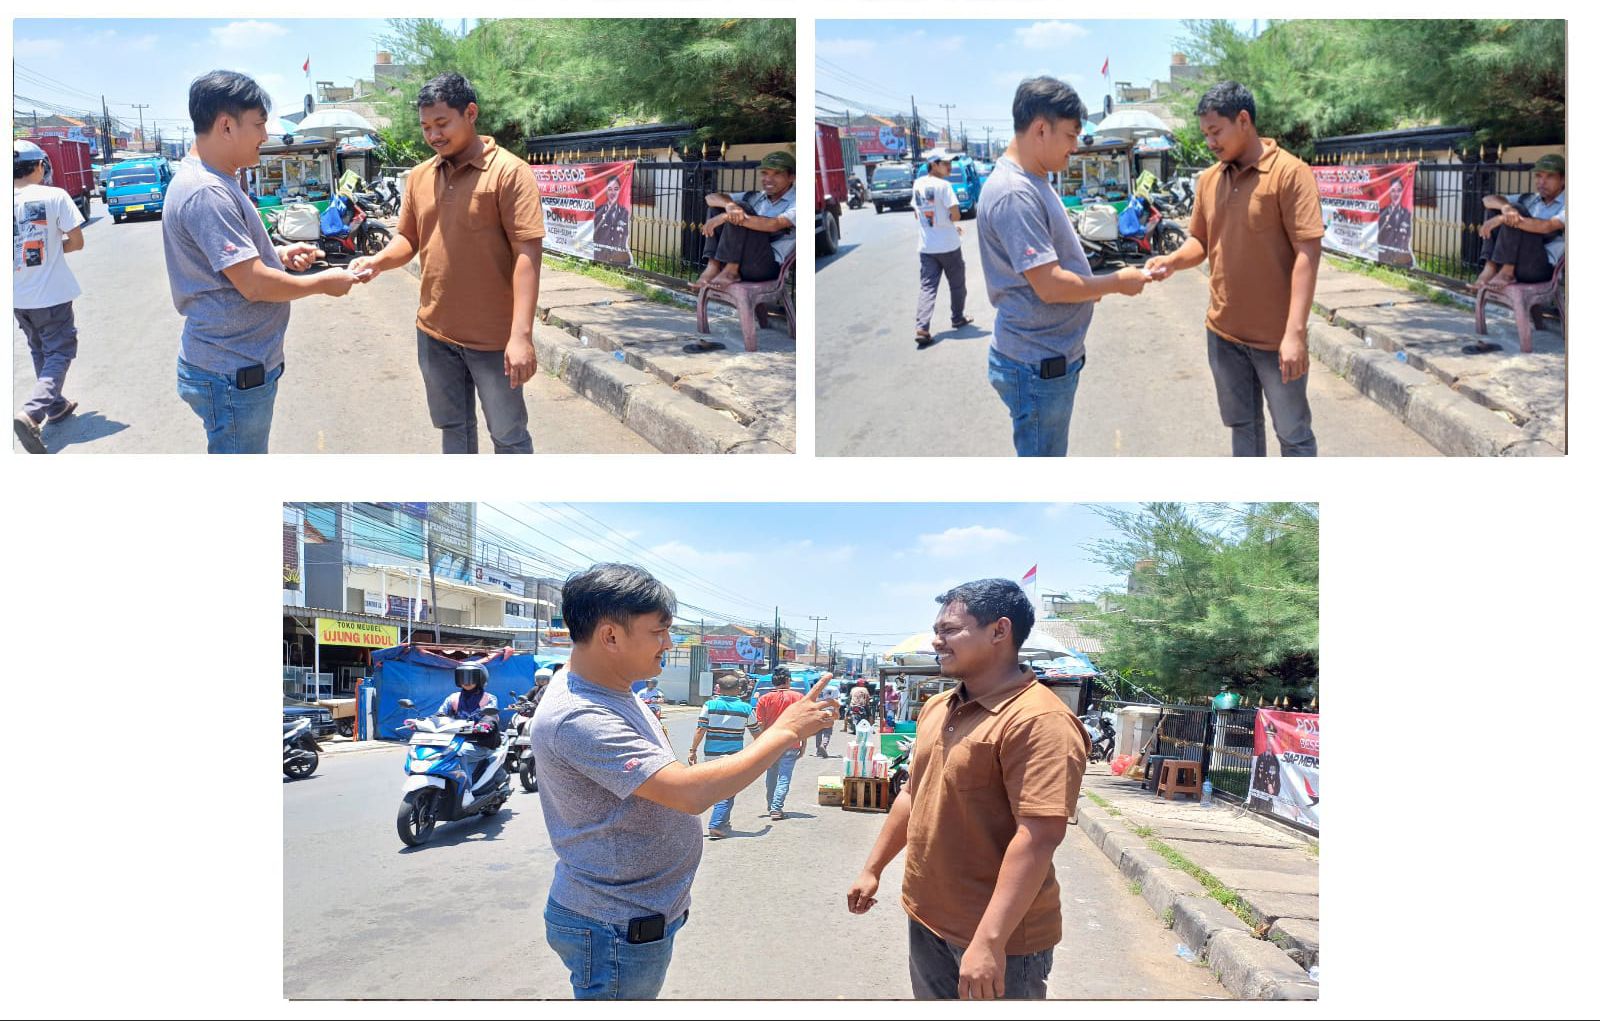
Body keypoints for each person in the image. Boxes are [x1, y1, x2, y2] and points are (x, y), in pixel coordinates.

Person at [530, 564, 838, 999]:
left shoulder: (613, 687)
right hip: (616, 926)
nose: (668, 644)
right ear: (611, 636)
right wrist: (784, 732)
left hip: (634, 915)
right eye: (658, 632)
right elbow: (689, 793)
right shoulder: (581, 714)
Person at [847, 579, 1089, 1000]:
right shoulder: (937, 707)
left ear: (999, 631)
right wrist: (873, 868)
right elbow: (912, 795)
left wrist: (990, 941)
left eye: (949, 630)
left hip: (1000, 940)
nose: (936, 641)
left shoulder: (1039, 720)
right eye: (937, 630)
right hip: (927, 917)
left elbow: (1039, 835)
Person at [350, 72, 546, 454]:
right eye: (426, 127)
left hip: (493, 340)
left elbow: (527, 253)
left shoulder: (509, 172)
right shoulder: (421, 175)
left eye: (442, 123)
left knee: (508, 436)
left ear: (470, 113)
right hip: (435, 333)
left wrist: (520, 336)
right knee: (454, 429)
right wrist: (378, 261)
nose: (434, 135)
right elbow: (408, 238)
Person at [162, 70, 357, 454]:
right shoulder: (207, 191)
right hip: (232, 370)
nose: (265, 137)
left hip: (235, 365)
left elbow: (227, 264)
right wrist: (323, 283)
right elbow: (253, 283)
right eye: (259, 124)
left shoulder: (215, 180)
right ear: (226, 126)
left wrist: (278, 255)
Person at [1144, 81, 1324, 458]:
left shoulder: (1290, 173)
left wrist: (1295, 334)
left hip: (1275, 341)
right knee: (1242, 429)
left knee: (1293, 434)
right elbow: (1201, 242)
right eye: (1205, 133)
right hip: (1223, 335)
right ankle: (1257, 514)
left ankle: (1301, 516)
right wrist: (1172, 261)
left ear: (1243, 120)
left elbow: (1308, 252)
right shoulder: (1210, 179)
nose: (1210, 142)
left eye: (1215, 131)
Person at [977, 77, 1150, 457]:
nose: (1075, 146)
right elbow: (1051, 286)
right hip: (1037, 364)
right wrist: (1114, 282)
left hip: (1046, 359)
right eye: (1071, 135)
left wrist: (1087, 288)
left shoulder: (1035, 178)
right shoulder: (1014, 192)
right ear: (1041, 128)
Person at [12, 140, 86, 454]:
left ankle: (55, 406)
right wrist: (53, 250)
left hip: (18, 297)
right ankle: (32, 412)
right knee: (60, 351)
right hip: (51, 295)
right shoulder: (54, 195)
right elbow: (77, 241)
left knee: (39, 347)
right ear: (40, 165)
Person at [1465, 153, 1566, 352]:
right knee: (1503, 208)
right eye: (1538, 176)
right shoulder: (1532, 199)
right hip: (1521, 260)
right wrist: (1505, 208)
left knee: (1514, 212)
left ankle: (1506, 272)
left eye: (1549, 176)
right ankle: (1491, 267)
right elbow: (1487, 199)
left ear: (1563, 179)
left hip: (1541, 268)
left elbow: (1547, 227)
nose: (1541, 182)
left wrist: (1507, 217)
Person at [691, 150, 796, 291]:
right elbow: (711, 198)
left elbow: (774, 224)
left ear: (791, 177)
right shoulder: (755, 197)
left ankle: (730, 271)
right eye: (765, 173)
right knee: (722, 206)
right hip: (743, 260)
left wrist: (727, 216)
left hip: (766, 266)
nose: (768, 179)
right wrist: (729, 206)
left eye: (777, 174)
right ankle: (713, 267)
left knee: (740, 208)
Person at [687, 672, 763, 839]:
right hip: (734, 756)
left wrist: (693, 750)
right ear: (738, 689)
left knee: (720, 787)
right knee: (728, 789)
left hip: (711, 755)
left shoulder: (710, 705)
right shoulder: (746, 708)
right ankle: (716, 824)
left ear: (719, 689)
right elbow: (756, 732)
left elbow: (701, 729)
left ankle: (724, 822)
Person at [911, 149, 974, 346]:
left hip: (927, 246)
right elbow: (955, 214)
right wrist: (950, 223)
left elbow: (917, 214)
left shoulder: (918, 184)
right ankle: (957, 317)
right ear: (934, 164)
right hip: (948, 246)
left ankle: (922, 327)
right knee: (957, 284)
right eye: (946, 163)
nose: (950, 167)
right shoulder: (945, 186)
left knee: (928, 287)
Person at [435, 662, 502, 783]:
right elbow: (440, 715)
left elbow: (490, 716)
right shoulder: (453, 698)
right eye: (463, 676)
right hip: (455, 740)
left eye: (471, 676)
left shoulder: (488, 698)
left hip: (479, 742)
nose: (466, 681)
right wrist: (424, 722)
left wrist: (485, 725)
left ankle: (466, 790)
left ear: (480, 678)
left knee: (460, 753)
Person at [754, 667, 806, 820]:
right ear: (788, 680)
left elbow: (760, 726)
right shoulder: (799, 697)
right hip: (791, 743)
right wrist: (804, 744)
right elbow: (803, 724)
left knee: (771, 776)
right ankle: (776, 808)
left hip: (770, 745)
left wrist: (759, 746)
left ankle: (772, 805)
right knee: (784, 777)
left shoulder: (764, 699)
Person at [592, 172, 630, 266]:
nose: (613, 193)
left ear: (620, 191)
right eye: (609, 189)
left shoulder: (625, 212)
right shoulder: (598, 211)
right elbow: (595, 237)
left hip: (619, 260)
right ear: (606, 191)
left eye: (616, 189)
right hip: (601, 259)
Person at [1376, 176, 1413, 267]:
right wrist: (1385, 224)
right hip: (1385, 258)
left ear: (1402, 192)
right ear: (1389, 193)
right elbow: (1378, 238)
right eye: (1393, 191)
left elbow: (1408, 237)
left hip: (1402, 259)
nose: (1396, 194)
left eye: (1399, 190)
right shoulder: (1382, 213)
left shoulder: (1407, 214)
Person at [814, 682, 840, 757]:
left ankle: (818, 751)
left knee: (818, 731)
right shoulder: (834, 689)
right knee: (827, 731)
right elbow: (836, 702)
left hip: (819, 711)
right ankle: (823, 745)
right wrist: (837, 712)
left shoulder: (816, 689)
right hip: (829, 712)